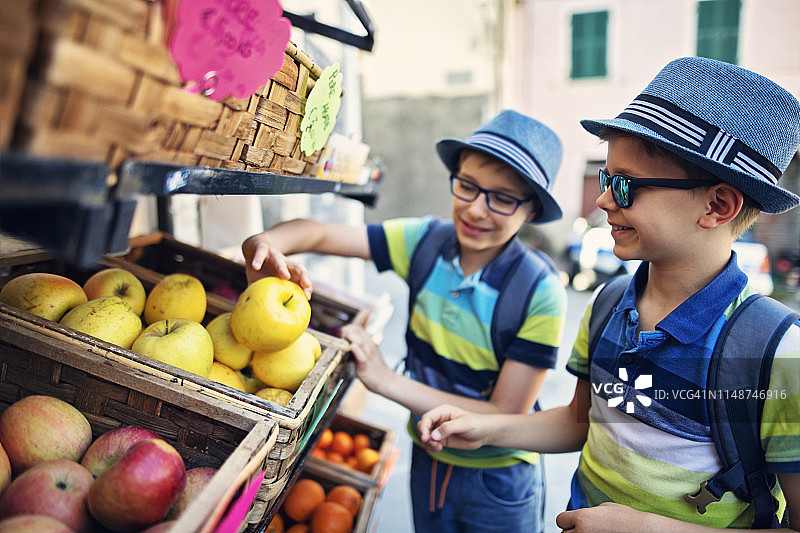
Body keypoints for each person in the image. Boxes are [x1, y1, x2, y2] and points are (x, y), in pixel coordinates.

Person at [417, 56, 800, 532]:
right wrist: (488, 427)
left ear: (718, 205)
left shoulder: (780, 353)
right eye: (605, 178)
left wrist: (647, 528)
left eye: (625, 185)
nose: (602, 200)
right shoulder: (608, 304)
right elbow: (582, 422)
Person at [242, 109, 568, 532]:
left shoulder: (540, 291)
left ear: (531, 210)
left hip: (497, 478)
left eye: (502, 198)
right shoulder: (425, 242)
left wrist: (386, 381)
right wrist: (266, 242)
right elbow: (320, 234)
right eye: (467, 186)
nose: (476, 209)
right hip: (429, 459)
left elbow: (505, 411)